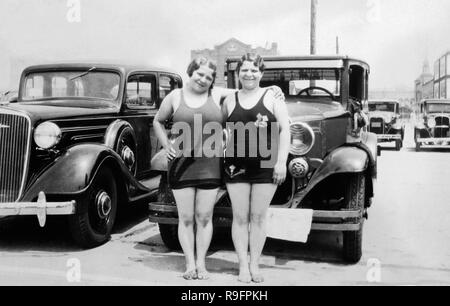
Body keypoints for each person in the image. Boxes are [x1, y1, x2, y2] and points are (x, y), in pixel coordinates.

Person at [153, 56, 284, 281]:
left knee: (207, 217)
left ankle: (216, 266)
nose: (203, 79)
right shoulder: (176, 97)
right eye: (199, 74)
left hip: (213, 166)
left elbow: (249, 88)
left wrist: (271, 87)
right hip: (186, 166)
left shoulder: (219, 95)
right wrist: (166, 147)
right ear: (190, 72)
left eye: (209, 76)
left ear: (214, 81)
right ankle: (191, 264)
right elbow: (158, 121)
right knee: (188, 218)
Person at [222, 53, 290, 283]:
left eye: (254, 70)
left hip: (265, 165)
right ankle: (242, 265)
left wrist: (281, 162)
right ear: (237, 73)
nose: (249, 74)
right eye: (244, 70)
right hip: (235, 165)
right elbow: (222, 129)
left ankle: (254, 264)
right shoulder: (229, 100)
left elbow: (286, 131)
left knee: (259, 217)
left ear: (261, 73)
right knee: (240, 217)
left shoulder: (273, 98)